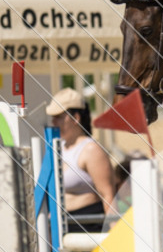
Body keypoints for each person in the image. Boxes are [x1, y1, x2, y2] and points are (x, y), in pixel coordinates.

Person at [46, 88, 116, 234]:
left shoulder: (91, 150)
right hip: (60, 224)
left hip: (88, 225)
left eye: (58, 117)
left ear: (75, 118)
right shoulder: (58, 148)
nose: (53, 122)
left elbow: (108, 194)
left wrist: (115, 235)